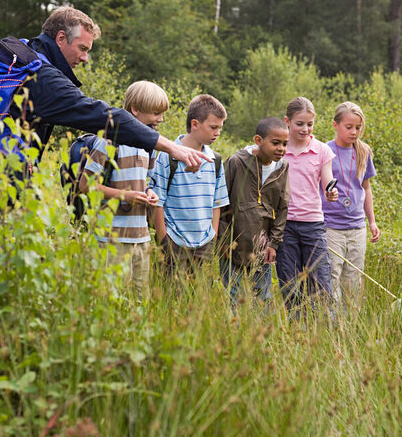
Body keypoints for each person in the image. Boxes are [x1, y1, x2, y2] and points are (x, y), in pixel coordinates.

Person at [0, 6, 207, 246]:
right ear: (61, 38)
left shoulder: (8, 54)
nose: (85, 58)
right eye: (82, 48)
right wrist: (170, 147)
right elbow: (104, 117)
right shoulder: (42, 76)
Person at [79, 81, 169, 301]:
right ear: (135, 110)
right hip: (112, 238)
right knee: (112, 301)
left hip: (141, 237)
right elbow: (85, 185)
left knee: (140, 301)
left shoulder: (149, 145)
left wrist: (150, 193)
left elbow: (143, 182)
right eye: (156, 113)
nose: (161, 119)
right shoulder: (109, 141)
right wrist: (125, 196)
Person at [151, 94, 229, 277]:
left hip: (204, 244)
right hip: (174, 242)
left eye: (220, 127)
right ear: (195, 124)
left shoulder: (215, 160)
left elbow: (217, 203)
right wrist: (164, 240)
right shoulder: (167, 156)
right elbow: (156, 202)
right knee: (170, 298)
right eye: (213, 127)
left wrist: (213, 235)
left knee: (198, 301)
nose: (217, 132)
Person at [275, 96, 338, 313]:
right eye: (299, 123)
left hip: (312, 224)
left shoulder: (321, 150)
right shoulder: (279, 151)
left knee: (320, 282)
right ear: (288, 121)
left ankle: (325, 330)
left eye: (309, 124)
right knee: (290, 284)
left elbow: (327, 178)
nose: (305, 128)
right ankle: (295, 330)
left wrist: (331, 189)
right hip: (285, 225)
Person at [219, 117, 290, 306]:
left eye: (285, 144)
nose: (281, 148)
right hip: (233, 244)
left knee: (263, 298)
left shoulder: (283, 168)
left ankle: (262, 334)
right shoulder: (236, 162)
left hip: (262, 245)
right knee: (233, 295)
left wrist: (274, 244)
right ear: (258, 140)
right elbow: (222, 202)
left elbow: (282, 207)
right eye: (275, 143)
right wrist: (224, 242)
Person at [320, 101, 380, 308]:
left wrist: (372, 221)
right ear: (335, 125)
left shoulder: (363, 151)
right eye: (349, 127)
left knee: (353, 278)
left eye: (358, 127)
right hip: (331, 226)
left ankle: (351, 323)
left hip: (357, 227)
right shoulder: (324, 151)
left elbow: (366, 188)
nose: (354, 132)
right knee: (332, 274)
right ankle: (332, 321)